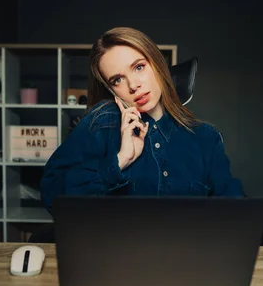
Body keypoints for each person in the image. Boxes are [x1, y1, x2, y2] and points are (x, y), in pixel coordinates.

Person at [40, 27, 244, 215]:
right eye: (117, 80)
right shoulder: (102, 123)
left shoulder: (205, 138)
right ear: (111, 90)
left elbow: (235, 213)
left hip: (186, 253)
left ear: (157, 64)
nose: (133, 85)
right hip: (116, 253)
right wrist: (119, 161)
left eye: (138, 67)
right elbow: (52, 196)